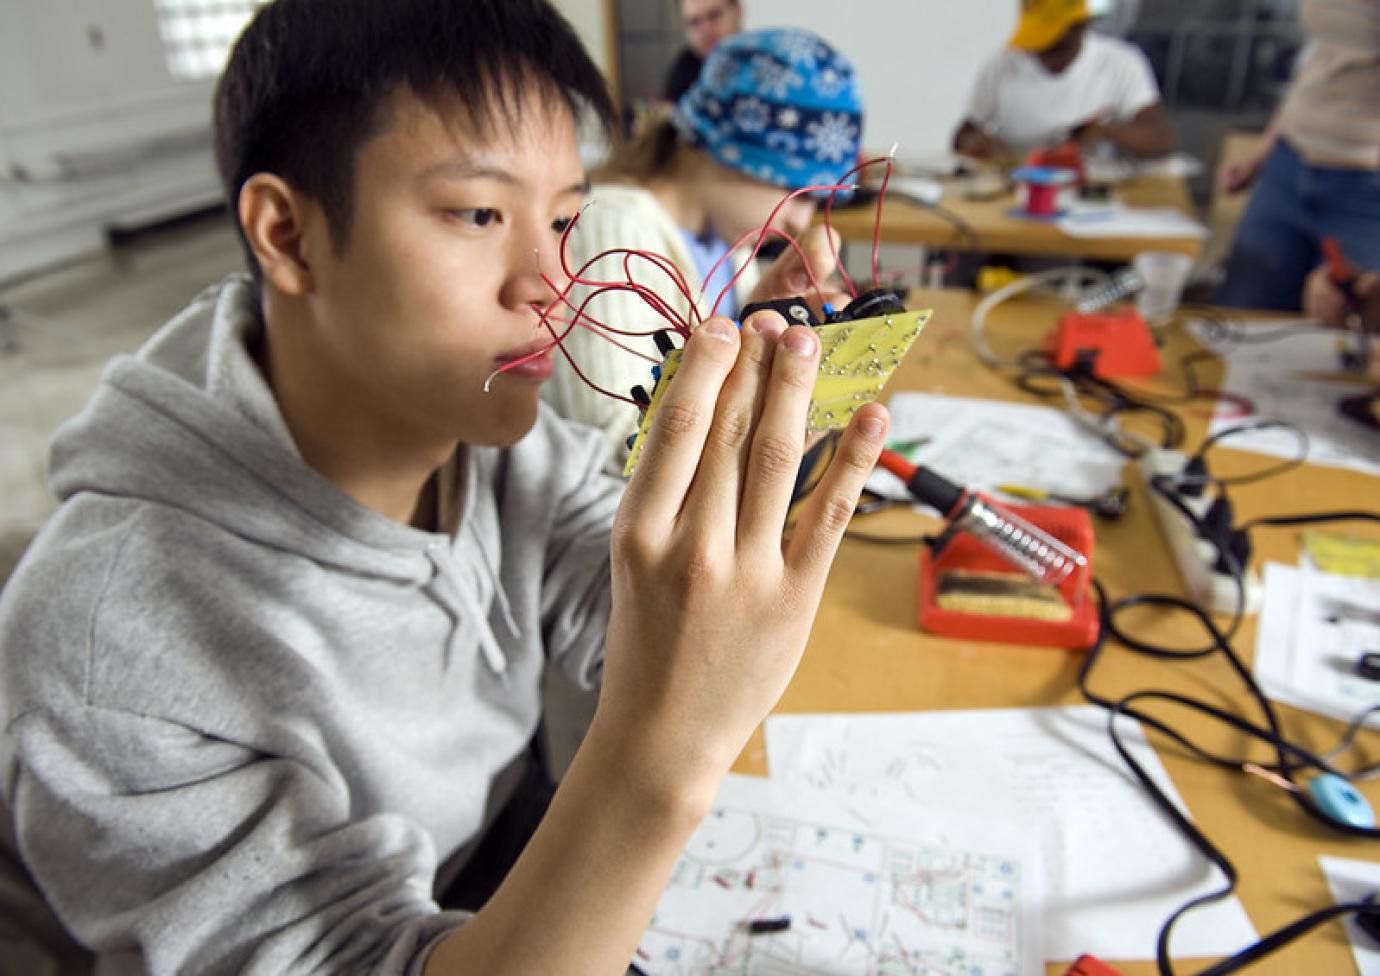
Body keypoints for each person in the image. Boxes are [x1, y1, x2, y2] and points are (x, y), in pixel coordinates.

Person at [0, 1, 888, 973]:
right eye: (477, 213)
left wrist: (759, 420)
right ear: (288, 234)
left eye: (562, 219)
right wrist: (659, 761)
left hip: (491, 852)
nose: (557, 282)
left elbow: (650, 606)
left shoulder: (495, 437)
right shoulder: (106, 645)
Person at [545, 27, 864, 467]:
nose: (800, 220)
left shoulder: (724, 239)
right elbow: (615, 447)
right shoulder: (613, 226)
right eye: (792, 189)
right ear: (717, 149)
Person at [1216, 0, 1380, 312]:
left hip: (1366, 189)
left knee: (1345, 333)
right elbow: (1321, 57)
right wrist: (1264, 150)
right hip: (1289, 166)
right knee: (1243, 315)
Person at [952, 0, 1174, 162]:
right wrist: (976, 143)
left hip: (1086, 192)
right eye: (1035, 39)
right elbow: (964, 134)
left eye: (1051, 41)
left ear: (1082, 26)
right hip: (1012, 186)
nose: (1039, 50)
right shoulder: (1003, 65)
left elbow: (1161, 140)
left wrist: (1105, 131)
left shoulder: (1119, 63)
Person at [661, 0, 743, 105]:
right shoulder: (683, 71)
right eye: (694, 22)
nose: (705, 30)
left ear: (738, 11)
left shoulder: (766, 58)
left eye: (714, 15)